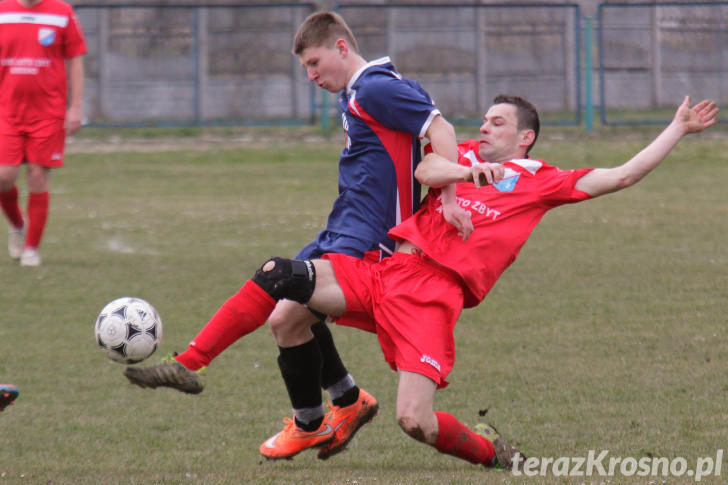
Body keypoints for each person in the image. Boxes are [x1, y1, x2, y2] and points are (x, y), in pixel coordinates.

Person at [126, 94, 717, 469]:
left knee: (417, 422)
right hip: (387, 272)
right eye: (483, 120)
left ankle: (497, 455)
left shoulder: (539, 181)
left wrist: (676, 130)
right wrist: (463, 171)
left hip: (432, 300)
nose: (483, 128)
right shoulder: (461, 160)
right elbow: (427, 166)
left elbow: (620, 176)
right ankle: (199, 366)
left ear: (526, 137)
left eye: (497, 123)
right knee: (283, 286)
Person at [124, 11, 471, 461]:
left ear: (341, 48)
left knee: (276, 277)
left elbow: (440, 130)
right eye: (305, 68)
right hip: (341, 228)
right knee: (285, 322)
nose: (311, 76)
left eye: (314, 63)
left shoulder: (375, 87)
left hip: (368, 240)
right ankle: (339, 407)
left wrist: (449, 200)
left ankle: (189, 363)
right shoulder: (363, 90)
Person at [0, 0, 86, 267]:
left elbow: (75, 60)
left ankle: (31, 249)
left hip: (48, 111)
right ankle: (18, 225)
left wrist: (75, 107)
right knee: (4, 176)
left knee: (38, 176)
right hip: (6, 110)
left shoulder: (62, 12)